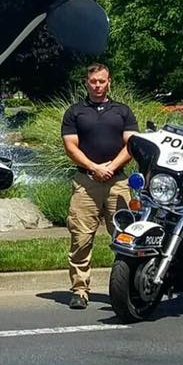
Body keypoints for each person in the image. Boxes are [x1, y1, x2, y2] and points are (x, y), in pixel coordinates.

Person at [61, 63, 138, 309]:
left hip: (118, 183)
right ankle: (80, 290)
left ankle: (127, 288)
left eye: (101, 81)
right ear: (87, 82)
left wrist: (111, 167)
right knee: (81, 239)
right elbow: (71, 146)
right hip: (86, 182)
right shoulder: (75, 112)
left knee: (126, 238)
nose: (97, 86)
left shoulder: (123, 111)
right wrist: (95, 168)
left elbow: (131, 144)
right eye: (93, 81)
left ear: (109, 82)